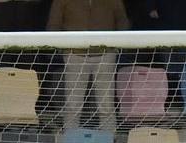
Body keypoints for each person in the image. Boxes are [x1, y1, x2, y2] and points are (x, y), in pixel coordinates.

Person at [47, 0, 130, 131]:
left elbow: (122, 21)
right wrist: (63, 49)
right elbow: (53, 24)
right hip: (75, 54)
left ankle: (108, 142)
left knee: (106, 103)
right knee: (73, 103)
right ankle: (70, 142)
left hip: (106, 54)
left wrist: (117, 46)